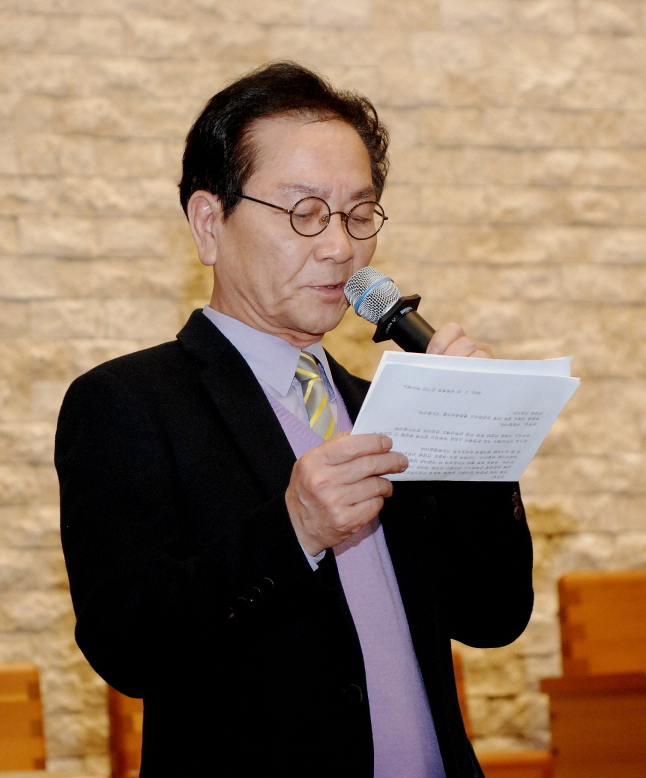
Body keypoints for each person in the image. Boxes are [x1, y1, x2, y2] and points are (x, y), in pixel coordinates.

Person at [55, 62, 534, 778]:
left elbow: (493, 617)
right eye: (305, 212)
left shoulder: (380, 408)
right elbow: (129, 646)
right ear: (210, 224)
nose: (340, 247)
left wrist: (479, 449)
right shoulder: (129, 404)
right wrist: (295, 532)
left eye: (359, 215)